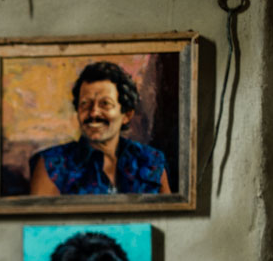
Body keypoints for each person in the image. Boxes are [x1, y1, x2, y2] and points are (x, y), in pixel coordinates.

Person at [28, 61, 172, 195]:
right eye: (85, 104)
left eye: (105, 104)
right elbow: (39, 214)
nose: (93, 113)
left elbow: (168, 213)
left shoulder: (151, 161)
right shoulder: (52, 164)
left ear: (127, 115)